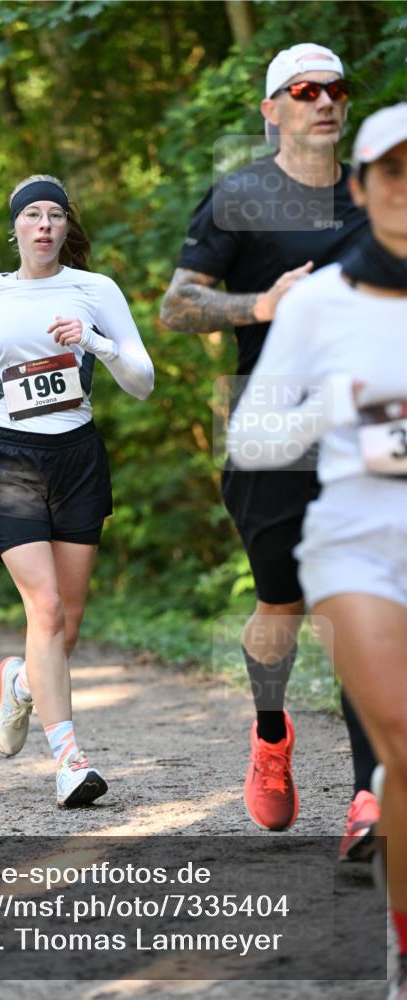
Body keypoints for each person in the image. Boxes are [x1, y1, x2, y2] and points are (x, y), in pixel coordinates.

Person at [160, 42, 379, 853]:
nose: (323, 100)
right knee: (281, 608)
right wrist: (261, 306)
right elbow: (178, 308)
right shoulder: (240, 197)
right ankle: (270, 733)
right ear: (271, 109)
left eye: (334, 88)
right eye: (302, 89)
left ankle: (369, 797)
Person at [226, 102, 407, 1000]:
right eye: (393, 172)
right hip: (358, 547)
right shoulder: (322, 300)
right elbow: (255, 439)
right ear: (363, 187)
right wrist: (330, 409)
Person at [0, 174, 154, 807]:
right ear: (13, 228)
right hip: (10, 457)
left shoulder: (95, 290)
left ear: (67, 227)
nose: (44, 225)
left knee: (66, 628)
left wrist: (93, 343)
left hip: (77, 456)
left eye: (55, 216)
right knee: (46, 611)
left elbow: (142, 380)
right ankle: (69, 760)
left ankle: (19, 680)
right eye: (32, 215)